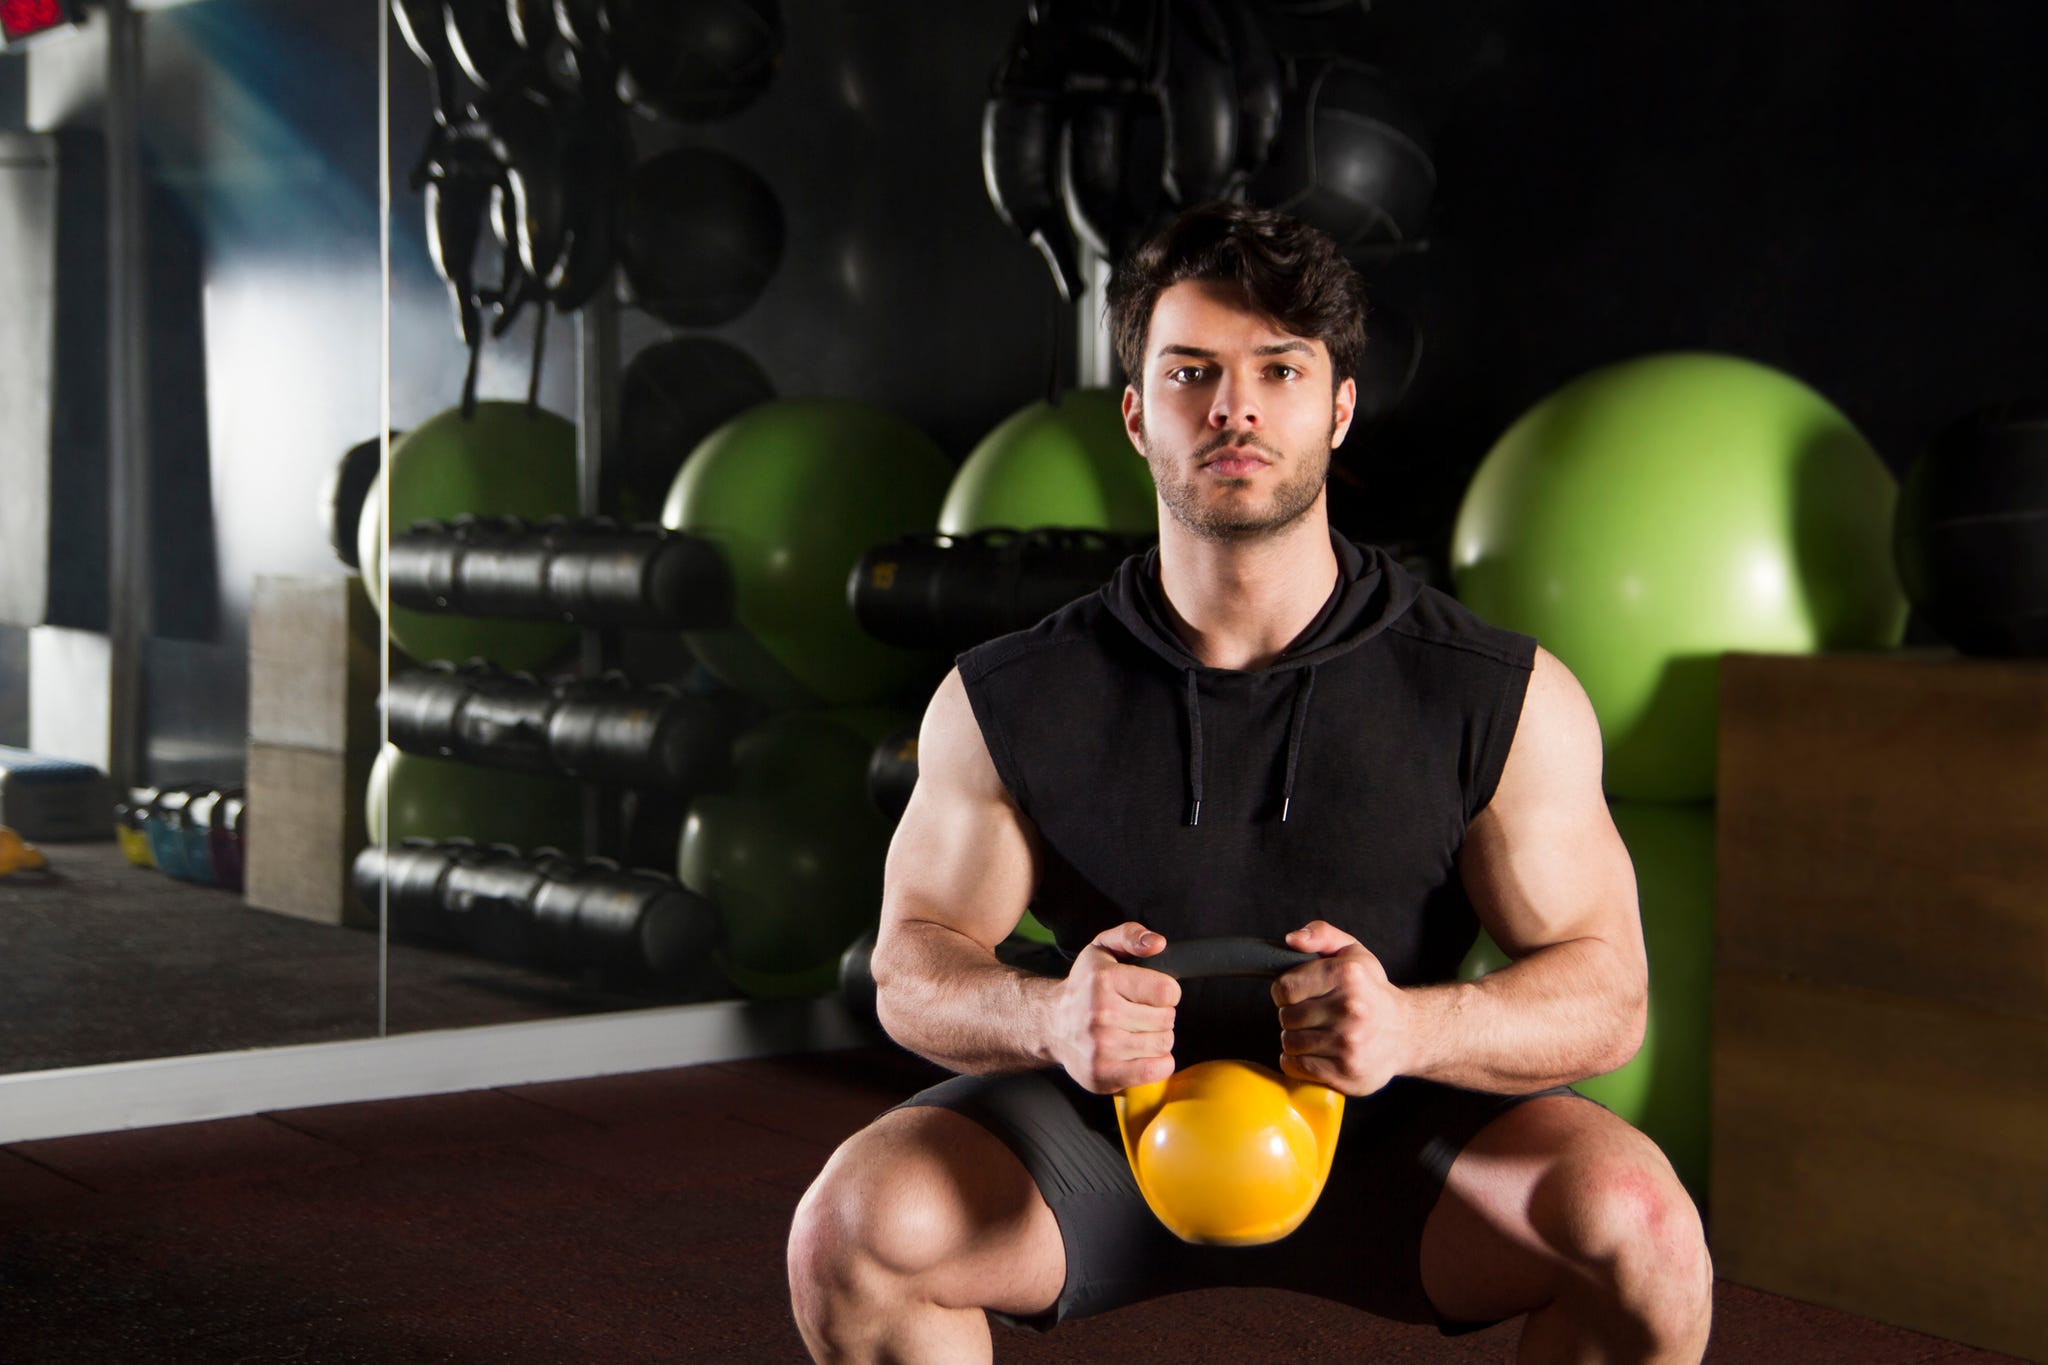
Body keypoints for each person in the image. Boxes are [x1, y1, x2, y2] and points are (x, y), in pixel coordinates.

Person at [787, 203, 1712, 1363]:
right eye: (1191, 373)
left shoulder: (1494, 693)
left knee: (1639, 1231)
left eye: (1278, 369)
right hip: (1099, 1130)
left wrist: (1410, 1028)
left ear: (1336, 407)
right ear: (1135, 415)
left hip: (1389, 1129)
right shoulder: (1007, 696)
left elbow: (1608, 994)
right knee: (852, 1228)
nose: (1233, 406)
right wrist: (1046, 1013)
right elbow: (908, 967)